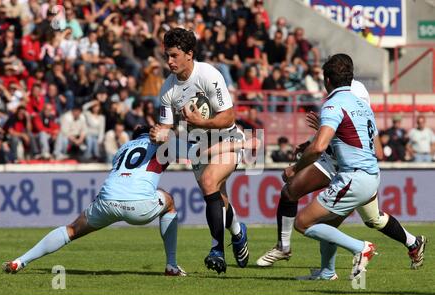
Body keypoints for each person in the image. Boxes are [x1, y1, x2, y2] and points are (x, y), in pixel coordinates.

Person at [257, 55, 427, 280]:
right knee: (341, 222)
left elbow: (319, 147)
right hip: (368, 174)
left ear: (327, 80)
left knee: (303, 222)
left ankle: (360, 248)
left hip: (352, 176)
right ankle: (327, 272)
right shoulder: (362, 104)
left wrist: (295, 169)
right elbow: (354, 137)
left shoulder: (333, 104)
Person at [2, 126, 187, 276]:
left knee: (71, 230)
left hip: (107, 202)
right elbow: (195, 150)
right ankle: (171, 265)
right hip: (139, 206)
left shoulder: (123, 148)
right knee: (168, 201)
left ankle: (19, 261)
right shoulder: (163, 144)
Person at [149, 28, 248, 274]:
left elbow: (228, 117)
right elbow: (165, 126)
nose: (169, 61)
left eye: (174, 55)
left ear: (189, 54)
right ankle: (237, 231)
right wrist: (159, 133)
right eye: (167, 55)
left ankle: (217, 250)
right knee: (218, 198)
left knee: (208, 181)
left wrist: (200, 122)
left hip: (228, 139)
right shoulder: (167, 91)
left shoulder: (209, 75)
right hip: (199, 148)